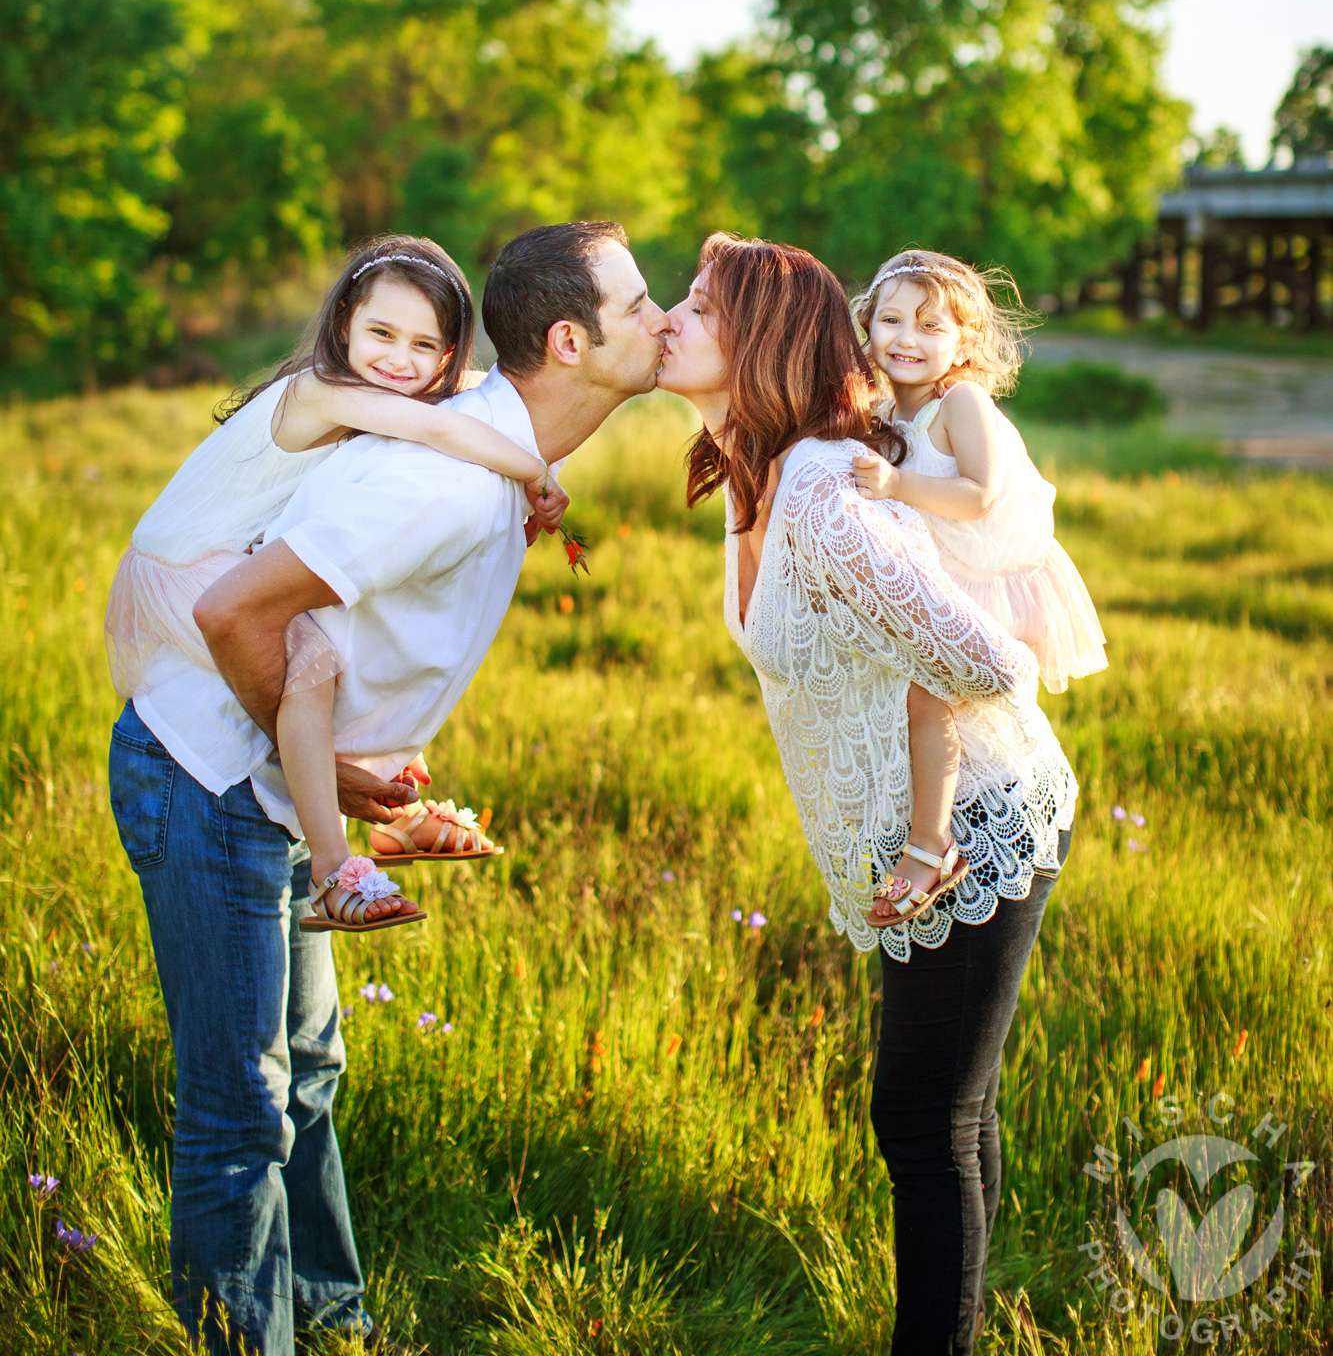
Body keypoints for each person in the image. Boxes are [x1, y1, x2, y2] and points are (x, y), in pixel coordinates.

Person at [108, 220, 668, 1356]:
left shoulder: (488, 453)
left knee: (307, 1072)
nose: (664, 318)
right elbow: (231, 612)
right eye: (645, 300)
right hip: (204, 774)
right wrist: (341, 772)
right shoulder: (445, 484)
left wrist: (361, 778)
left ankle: (333, 1319)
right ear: (570, 339)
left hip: (265, 775)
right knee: (240, 1114)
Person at [657, 232, 1077, 1356]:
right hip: (908, 836)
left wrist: (931, 831)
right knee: (953, 1107)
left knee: (921, 1117)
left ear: (753, 342)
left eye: (694, 306)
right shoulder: (760, 469)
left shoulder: (822, 491)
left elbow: (989, 663)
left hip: (977, 821)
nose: (668, 317)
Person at [106, 235, 566, 936]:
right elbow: (437, 432)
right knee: (312, 667)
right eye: (381, 333)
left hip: (232, 551)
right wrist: (535, 472)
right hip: (188, 562)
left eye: (423, 346)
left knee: (357, 637)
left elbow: (471, 391)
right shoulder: (325, 389)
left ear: (446, 354)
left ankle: (398, 816)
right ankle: (332, 871)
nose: (398, 360)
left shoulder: (385, 384)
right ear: (345, 319)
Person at [846, 248, 1104, 930]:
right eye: (892, 320)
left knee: (927, 695)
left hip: (993, 576)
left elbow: (979, 493)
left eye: (931, 327)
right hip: (941, 575)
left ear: (964, 343)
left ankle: (931, 848)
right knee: (908, 697)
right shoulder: (880, 407)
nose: (906, 338)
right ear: (866, 326)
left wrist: (897, 483)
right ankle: (916, 818)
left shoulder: (959, 401)